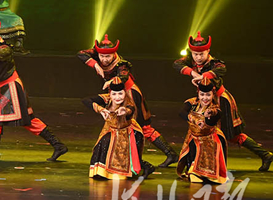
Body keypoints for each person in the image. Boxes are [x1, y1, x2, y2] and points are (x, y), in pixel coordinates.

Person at [0, 18, 67, 167]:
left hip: (10, 87)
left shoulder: (5, 48)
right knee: (28, 120)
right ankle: (58, 145)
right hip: (1, 88)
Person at [173, 32, 272, 172]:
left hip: (220, 101)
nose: (198, 57)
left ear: (208, 51)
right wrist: (193, 73)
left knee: (225, 135)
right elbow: (177, 64)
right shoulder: (192, 61)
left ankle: (262, 155)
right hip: (205, 100)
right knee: (202, 131)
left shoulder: (214, 64)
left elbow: (222, 69)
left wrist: (202, 76)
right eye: (195, 54)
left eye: (201, 54)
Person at [77, 34, 178, 168]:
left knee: (140, 127)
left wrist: (110, 82)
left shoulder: (121, 64)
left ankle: (166, 154)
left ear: (114, 54)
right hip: (114, 94)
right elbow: (81, 54)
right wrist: (95, 64)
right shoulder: (97, 56)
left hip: (129, 94)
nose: (104, 59)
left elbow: (123, 77)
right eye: (102, 56)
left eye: (108, 56)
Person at [82, 79, 155, 180]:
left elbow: (130, 110)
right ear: (110, 94)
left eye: (120, 94)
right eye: (114, 94)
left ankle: (146, 167)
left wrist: (124, 111)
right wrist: (100, 109)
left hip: (127, 133)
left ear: (125, 93)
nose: (117, 97)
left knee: (128, 157)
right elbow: (86, 100)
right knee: (103, 143)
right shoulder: (108, 99)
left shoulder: (129, 102)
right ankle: (103, 172)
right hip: (110, 130)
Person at [176, 82, 227, 184]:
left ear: (212, 94)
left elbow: (211, 121)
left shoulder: (215, 110)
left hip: (209, 141)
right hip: (193, 137)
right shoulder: (193, 103)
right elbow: (182, 112)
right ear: (198, 94)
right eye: (202, 94)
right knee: (193, 172)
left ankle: (202, 173)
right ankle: (194, 170)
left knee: (205, 176)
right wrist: (196, 120)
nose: (205, 98)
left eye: (208, 95)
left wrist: (208, 117)